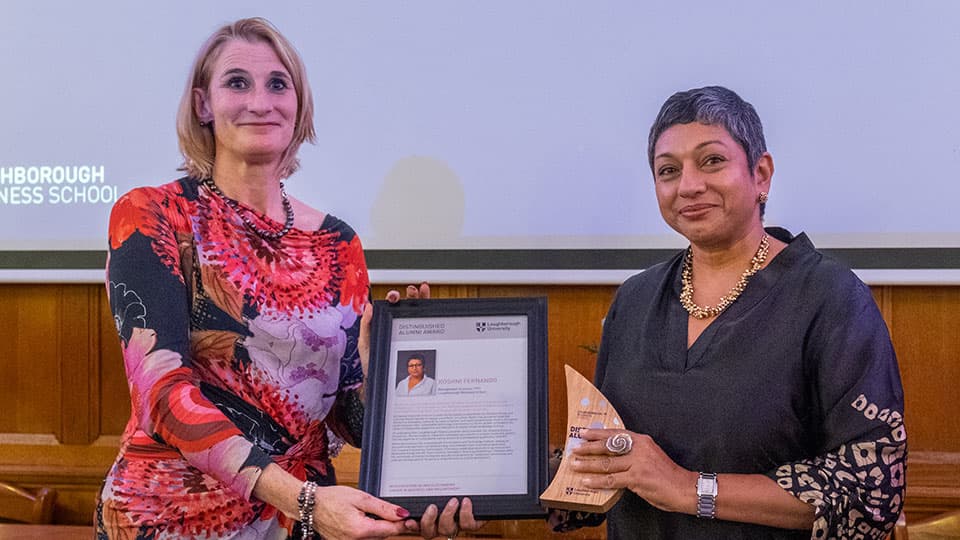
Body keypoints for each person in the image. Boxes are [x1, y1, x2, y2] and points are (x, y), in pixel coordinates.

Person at [97, 17, 478, 539]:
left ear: (298, 105)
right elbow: (161, 395)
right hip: (171, 516)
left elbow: (348, 418)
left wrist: (386, 377)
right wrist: (300, 500)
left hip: (302, 519)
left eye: (279, 84)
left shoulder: (339, 243)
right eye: (237, 82)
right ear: (203, 104)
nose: (261, 101)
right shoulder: (154, 215)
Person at [558, 86, 906, 539]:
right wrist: (481, 491)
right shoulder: (635, 300)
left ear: (761, 174)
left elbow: (869, 492)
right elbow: (600, 463)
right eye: (668, 171)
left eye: (712, 161)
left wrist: (686, 488)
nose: (689, 185)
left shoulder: (831, 298)